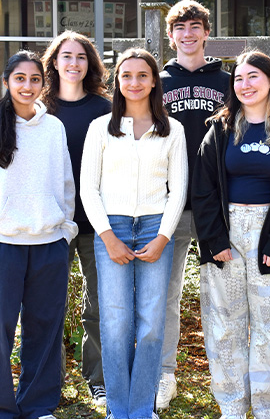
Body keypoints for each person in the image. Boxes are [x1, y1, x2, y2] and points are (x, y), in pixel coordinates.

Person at [191, 50, 270, 419]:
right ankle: (231, 404)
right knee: (224, 323)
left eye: (253, 77)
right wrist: (215, 240)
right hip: (227, 235)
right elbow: (204, 187)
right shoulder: (220, 128)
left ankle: (266, 404)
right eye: (238, 79)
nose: (245, 85)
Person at [80, 48, 188, 419]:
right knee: (115, 320)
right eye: (126, 76)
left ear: (154, 80)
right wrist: (108, 236)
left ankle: (141, 409)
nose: (134, 82)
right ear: (117, 82)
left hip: (157, 227)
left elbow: (179, 190)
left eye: (142, 75)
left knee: (152, 321)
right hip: (113, 226)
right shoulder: (101, 129)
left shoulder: (173, 130)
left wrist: (162, 237)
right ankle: (118, 409)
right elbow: (87, 189)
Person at [158, 0, 230, 409]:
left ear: (206, 33)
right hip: (169, 202)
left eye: (195, 27)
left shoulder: (228, 81)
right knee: (165, 294)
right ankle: (165, 374)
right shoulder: (158, 81)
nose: (188, 34)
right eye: (180, 28)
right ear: (170, 37)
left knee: (223, 291)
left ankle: (227, 374)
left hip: (216, 201)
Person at [0, 50, 77, 419]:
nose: (27, 86)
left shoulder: (53, 128)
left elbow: (65, 183)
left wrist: (65, 229)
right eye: (19, 79)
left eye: (34, 79)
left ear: (43, 84)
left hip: (49, 244)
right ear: (6, 82)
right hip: (4, 244)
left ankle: (37, 405)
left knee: (44, 327)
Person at [41, 29, 111, 406]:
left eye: (81, 56)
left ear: (90, 64)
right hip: (50, 223)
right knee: (47, 304)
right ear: (54, 61)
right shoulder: (38, 108)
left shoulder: (104, 108)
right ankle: (47, 382)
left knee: (98, 304)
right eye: (66, 56)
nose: (73, 63)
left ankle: (96, 378)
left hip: (96, 222)